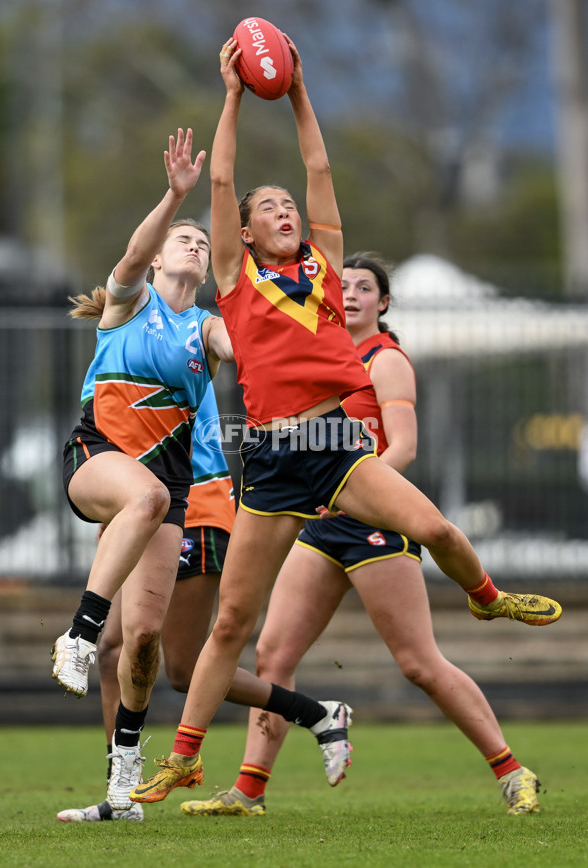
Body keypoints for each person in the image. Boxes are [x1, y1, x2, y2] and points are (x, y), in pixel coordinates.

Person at [129, 37, 561, 809]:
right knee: (234, 625)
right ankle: (190, 759)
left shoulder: (327, 270)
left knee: (440, 532)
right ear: (248, 231)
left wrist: (297, 93)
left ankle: (488, 596)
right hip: (272, 459)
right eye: (270, 208)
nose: (286, 209)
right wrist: (232, 95)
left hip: (335, 450)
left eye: (288, 205)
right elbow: (222, 178)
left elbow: (320, 171)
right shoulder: (236, 276)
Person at [179, 253, 540, 819]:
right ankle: (248, 792)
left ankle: (512, 771)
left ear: (383, 303)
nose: (348, 295)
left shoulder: (385, 358)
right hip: (317, 520)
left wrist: (351, 486)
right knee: (272, 652)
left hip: (368, 519)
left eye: (364, 288)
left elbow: (402, 448)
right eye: (341, 285)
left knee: (419, 663)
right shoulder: (314, 348)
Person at [56, 380, 352, 821]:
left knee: (184, 669)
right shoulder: (122, 340)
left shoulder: (182, 332)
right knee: (113, 650)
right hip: (141, 504)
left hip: (194, 505)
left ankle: (317, 714)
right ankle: (122, 793)